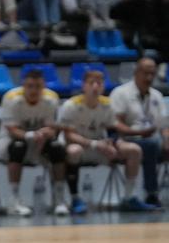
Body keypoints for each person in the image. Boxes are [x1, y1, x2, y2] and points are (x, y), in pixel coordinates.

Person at [59, 70, 154, 214]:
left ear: (103, 87)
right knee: (73, 151)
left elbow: (112, 130)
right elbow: (68, 135)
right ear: (84, 86)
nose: (95, 87)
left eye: (99, 83)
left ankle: (129, 198)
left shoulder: (107, 104)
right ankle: (75, 198)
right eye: (92, 83)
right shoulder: (70, 105)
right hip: (81, 146)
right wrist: (95, 144)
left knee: (134, 150)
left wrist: (114, 143)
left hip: (100, 148)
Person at [0, 69, 69, 216]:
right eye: (30, 86)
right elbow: (12, 129)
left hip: (39, 140)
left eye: (38, 86)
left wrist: (48, 133)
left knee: (57, 147)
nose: (34, 90)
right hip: (10, 140)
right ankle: (14, 199)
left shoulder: (51, 99)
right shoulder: (11, 98)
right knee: (18, 147)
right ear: (23, 86)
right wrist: (31, 135)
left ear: (43, 86)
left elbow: (52, 127)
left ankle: (59, 199)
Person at [110, 58, 169, 208]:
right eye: (145, 73)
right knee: (151, 145)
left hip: (151, 137)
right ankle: (152, 193)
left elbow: (163, 125)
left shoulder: (157, 95)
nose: (149, 78)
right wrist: (139, 132)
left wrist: (167, 140)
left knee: (155, 143)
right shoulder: (120, 93)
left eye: (152, 74)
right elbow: (116, 124)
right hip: (125, 139)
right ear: (136, 73)